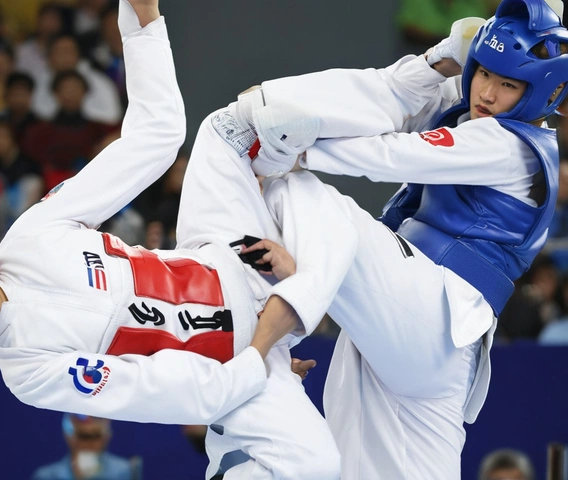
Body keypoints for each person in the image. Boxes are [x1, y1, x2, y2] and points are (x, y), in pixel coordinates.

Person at [0, 1, 350, 479]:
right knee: (315, 468)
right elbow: (155, 389)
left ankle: (425, 76)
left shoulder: (29, 240)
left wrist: (143, 20)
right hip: (238, 366)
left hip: (228, 256)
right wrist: (260, 352)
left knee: (233, 126)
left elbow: (154, 137)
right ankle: (243, 433)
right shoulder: (26, 373)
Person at [211, 0, 568, 477]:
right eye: (483, 73)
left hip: (434, 312)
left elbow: (391, 155)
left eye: (508, 84)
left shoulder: (510, 146)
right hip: (419, 342)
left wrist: (299, 149)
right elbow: (388, 95)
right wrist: (440, 58)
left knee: (303, 193)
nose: (487, 92)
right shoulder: (469, 112)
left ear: (541, 93)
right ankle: (282, 316)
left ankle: (255, 330)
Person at [32, 414, 140, 480]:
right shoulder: (47, 476)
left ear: (106, 437)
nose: (90, 443)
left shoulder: (125, 472)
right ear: (69, 437)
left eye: (96, 436)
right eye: (84, 436)